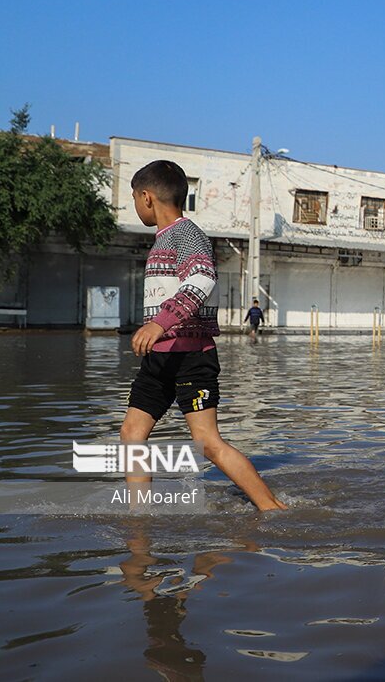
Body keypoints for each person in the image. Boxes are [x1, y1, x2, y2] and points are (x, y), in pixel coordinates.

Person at [121, 160, 287, 510]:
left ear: (147, 198)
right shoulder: (163, 239)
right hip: (159, 359)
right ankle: (139, 518)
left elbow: (203, 278)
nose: (134, 205)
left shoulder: (186, 234)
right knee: (131, 434)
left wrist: (158, 323)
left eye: (134, 197)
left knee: (207, 443)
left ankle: (273, 510)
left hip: (190, 356)